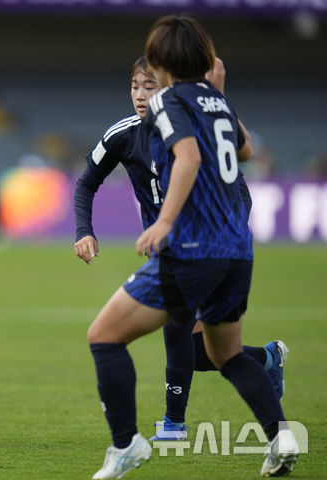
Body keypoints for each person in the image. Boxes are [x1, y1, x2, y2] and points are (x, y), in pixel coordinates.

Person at [87, 15, 298, 479]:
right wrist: (218, 93)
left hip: (193, 248)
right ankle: (282, 436)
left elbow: (189, 156)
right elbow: (243, 151)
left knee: (103, 336)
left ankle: (126, 444)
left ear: (160, 60)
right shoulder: (213, 103)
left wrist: (163, 222)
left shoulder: (166, 103)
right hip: (236, 251)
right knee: (227, 356)